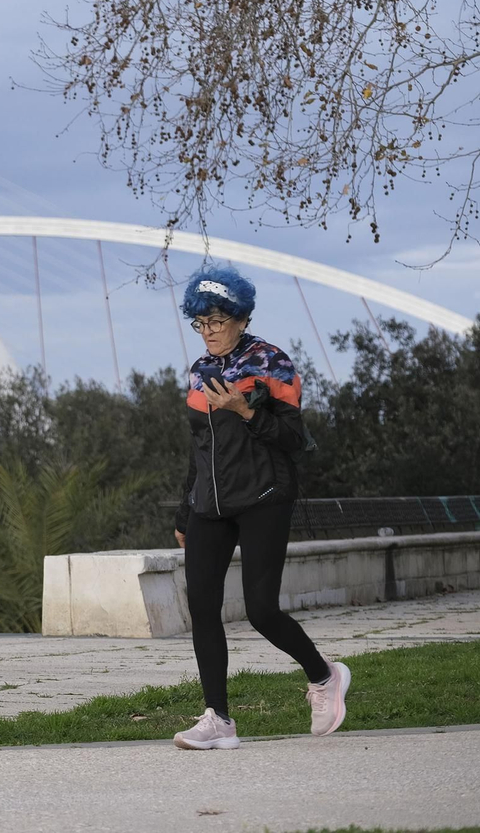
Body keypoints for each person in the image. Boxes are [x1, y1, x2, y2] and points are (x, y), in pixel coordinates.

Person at [170, 264, 349, 750]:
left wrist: (245, 411)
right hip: (210, 503)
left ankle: (325, 676)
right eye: (200, 322)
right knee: (202, 607)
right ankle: (218, 720)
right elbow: (200, 449)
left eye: (217, 321)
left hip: (264, 496)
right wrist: (185, 512)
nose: (208, 331)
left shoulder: (272, 363)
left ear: (242, 318)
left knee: (261, 610)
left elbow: (293, 438)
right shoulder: (199, 371)